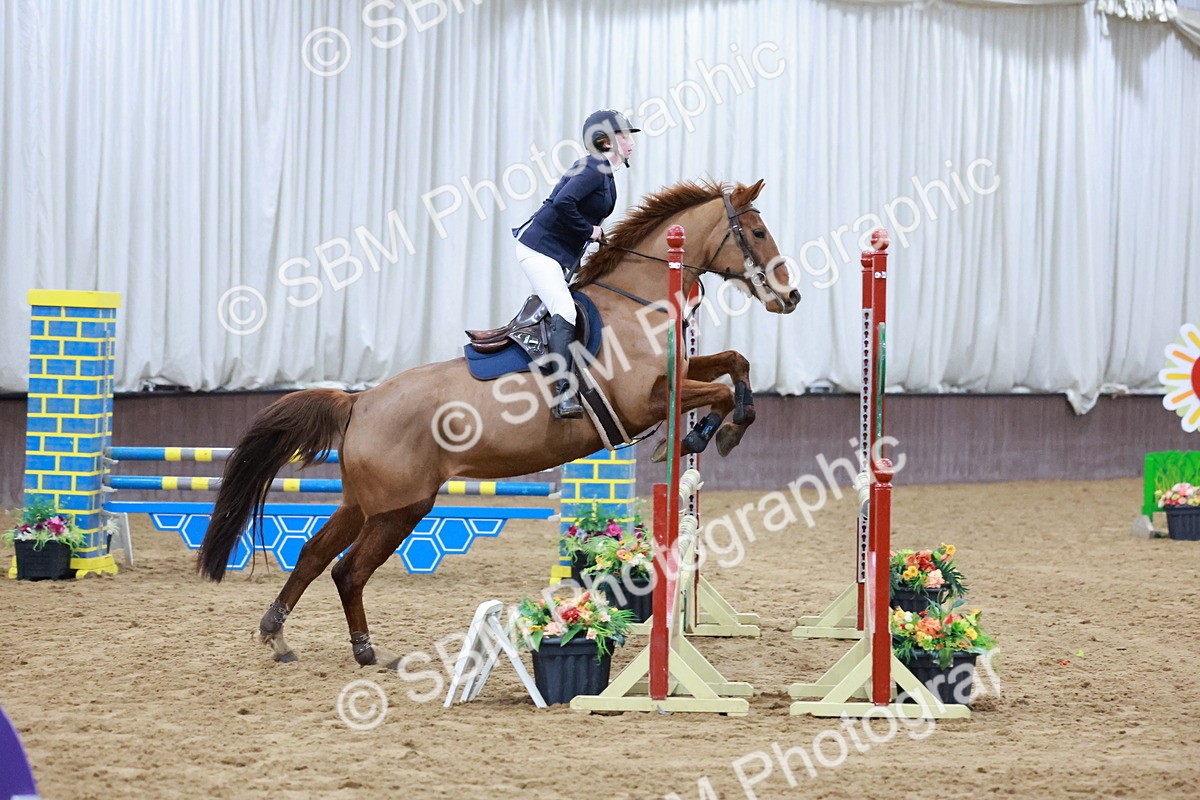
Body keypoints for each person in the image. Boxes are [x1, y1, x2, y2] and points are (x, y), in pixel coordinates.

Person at [512, 109, 639, 419]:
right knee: (565, 310)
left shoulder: (604, 171)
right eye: (624, 135)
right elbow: (562, 202)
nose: (631, 142)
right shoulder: (594, 168)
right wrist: (589, 230)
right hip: (538, 249)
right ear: (605, 141)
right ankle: (561, 394)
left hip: (558, 253)